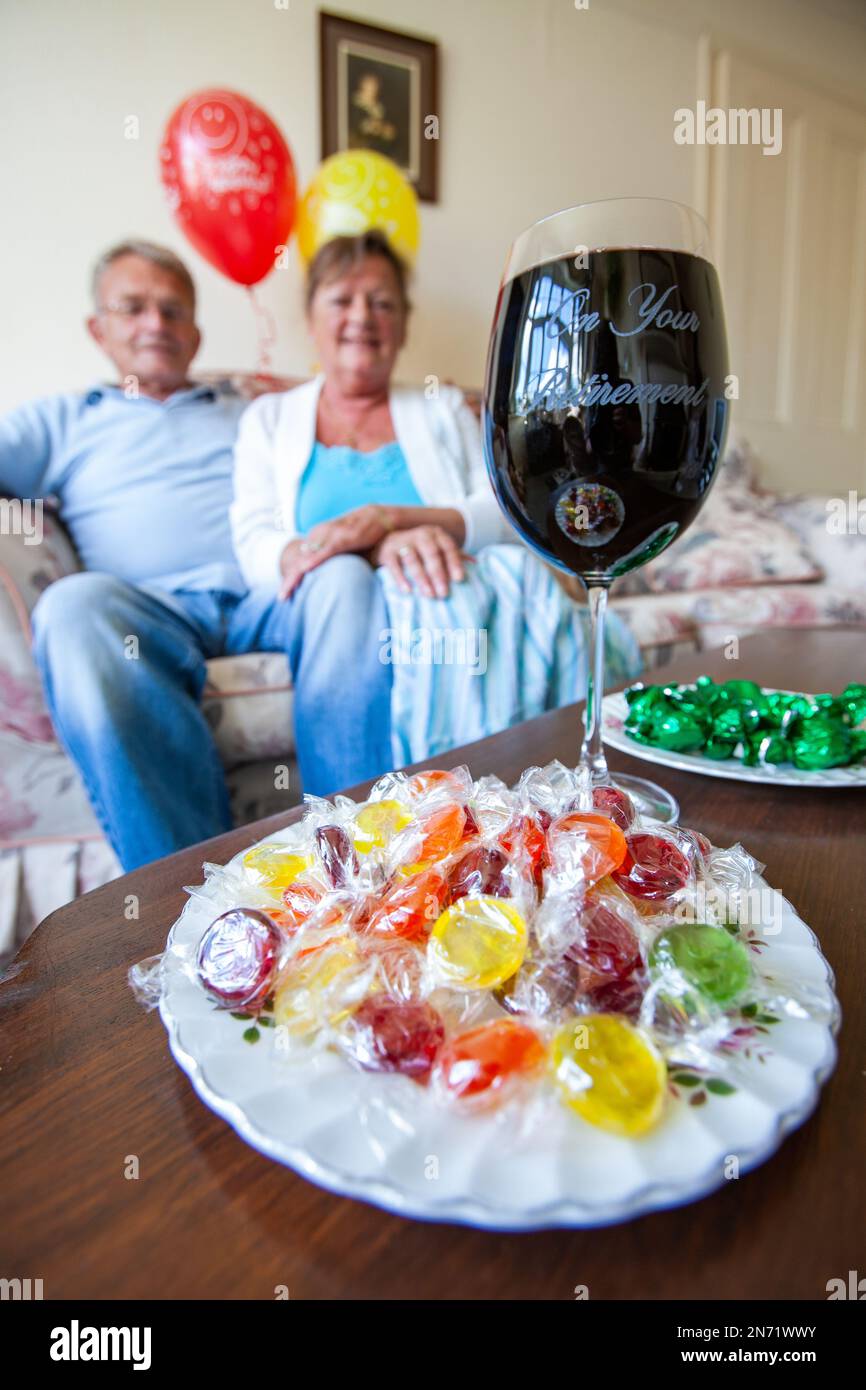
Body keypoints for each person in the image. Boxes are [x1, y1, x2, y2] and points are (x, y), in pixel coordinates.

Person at [0, 240, 396, 872]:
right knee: (71, 607)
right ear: (97, 329)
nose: (156, 324)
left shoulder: (255, 410)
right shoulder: (64, 419)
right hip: (146, 610)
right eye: (133, 308)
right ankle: (188, 892)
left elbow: (363, 439)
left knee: (344, 578)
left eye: (173, 310)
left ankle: (357, 857)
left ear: (196, 330)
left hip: (269, 592)